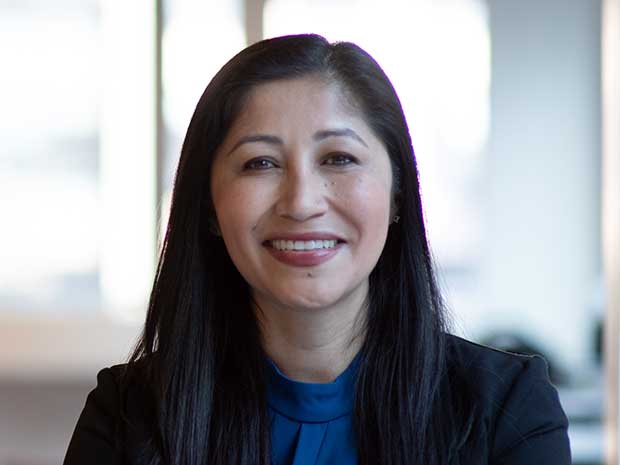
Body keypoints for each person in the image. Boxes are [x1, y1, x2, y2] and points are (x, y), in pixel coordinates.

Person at [63, 34, 571, 465]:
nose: (302, 202)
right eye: (260, 163)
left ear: (398, 195)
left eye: (338, 158)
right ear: (211, 208)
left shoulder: (507, 410)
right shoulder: (126, 417)